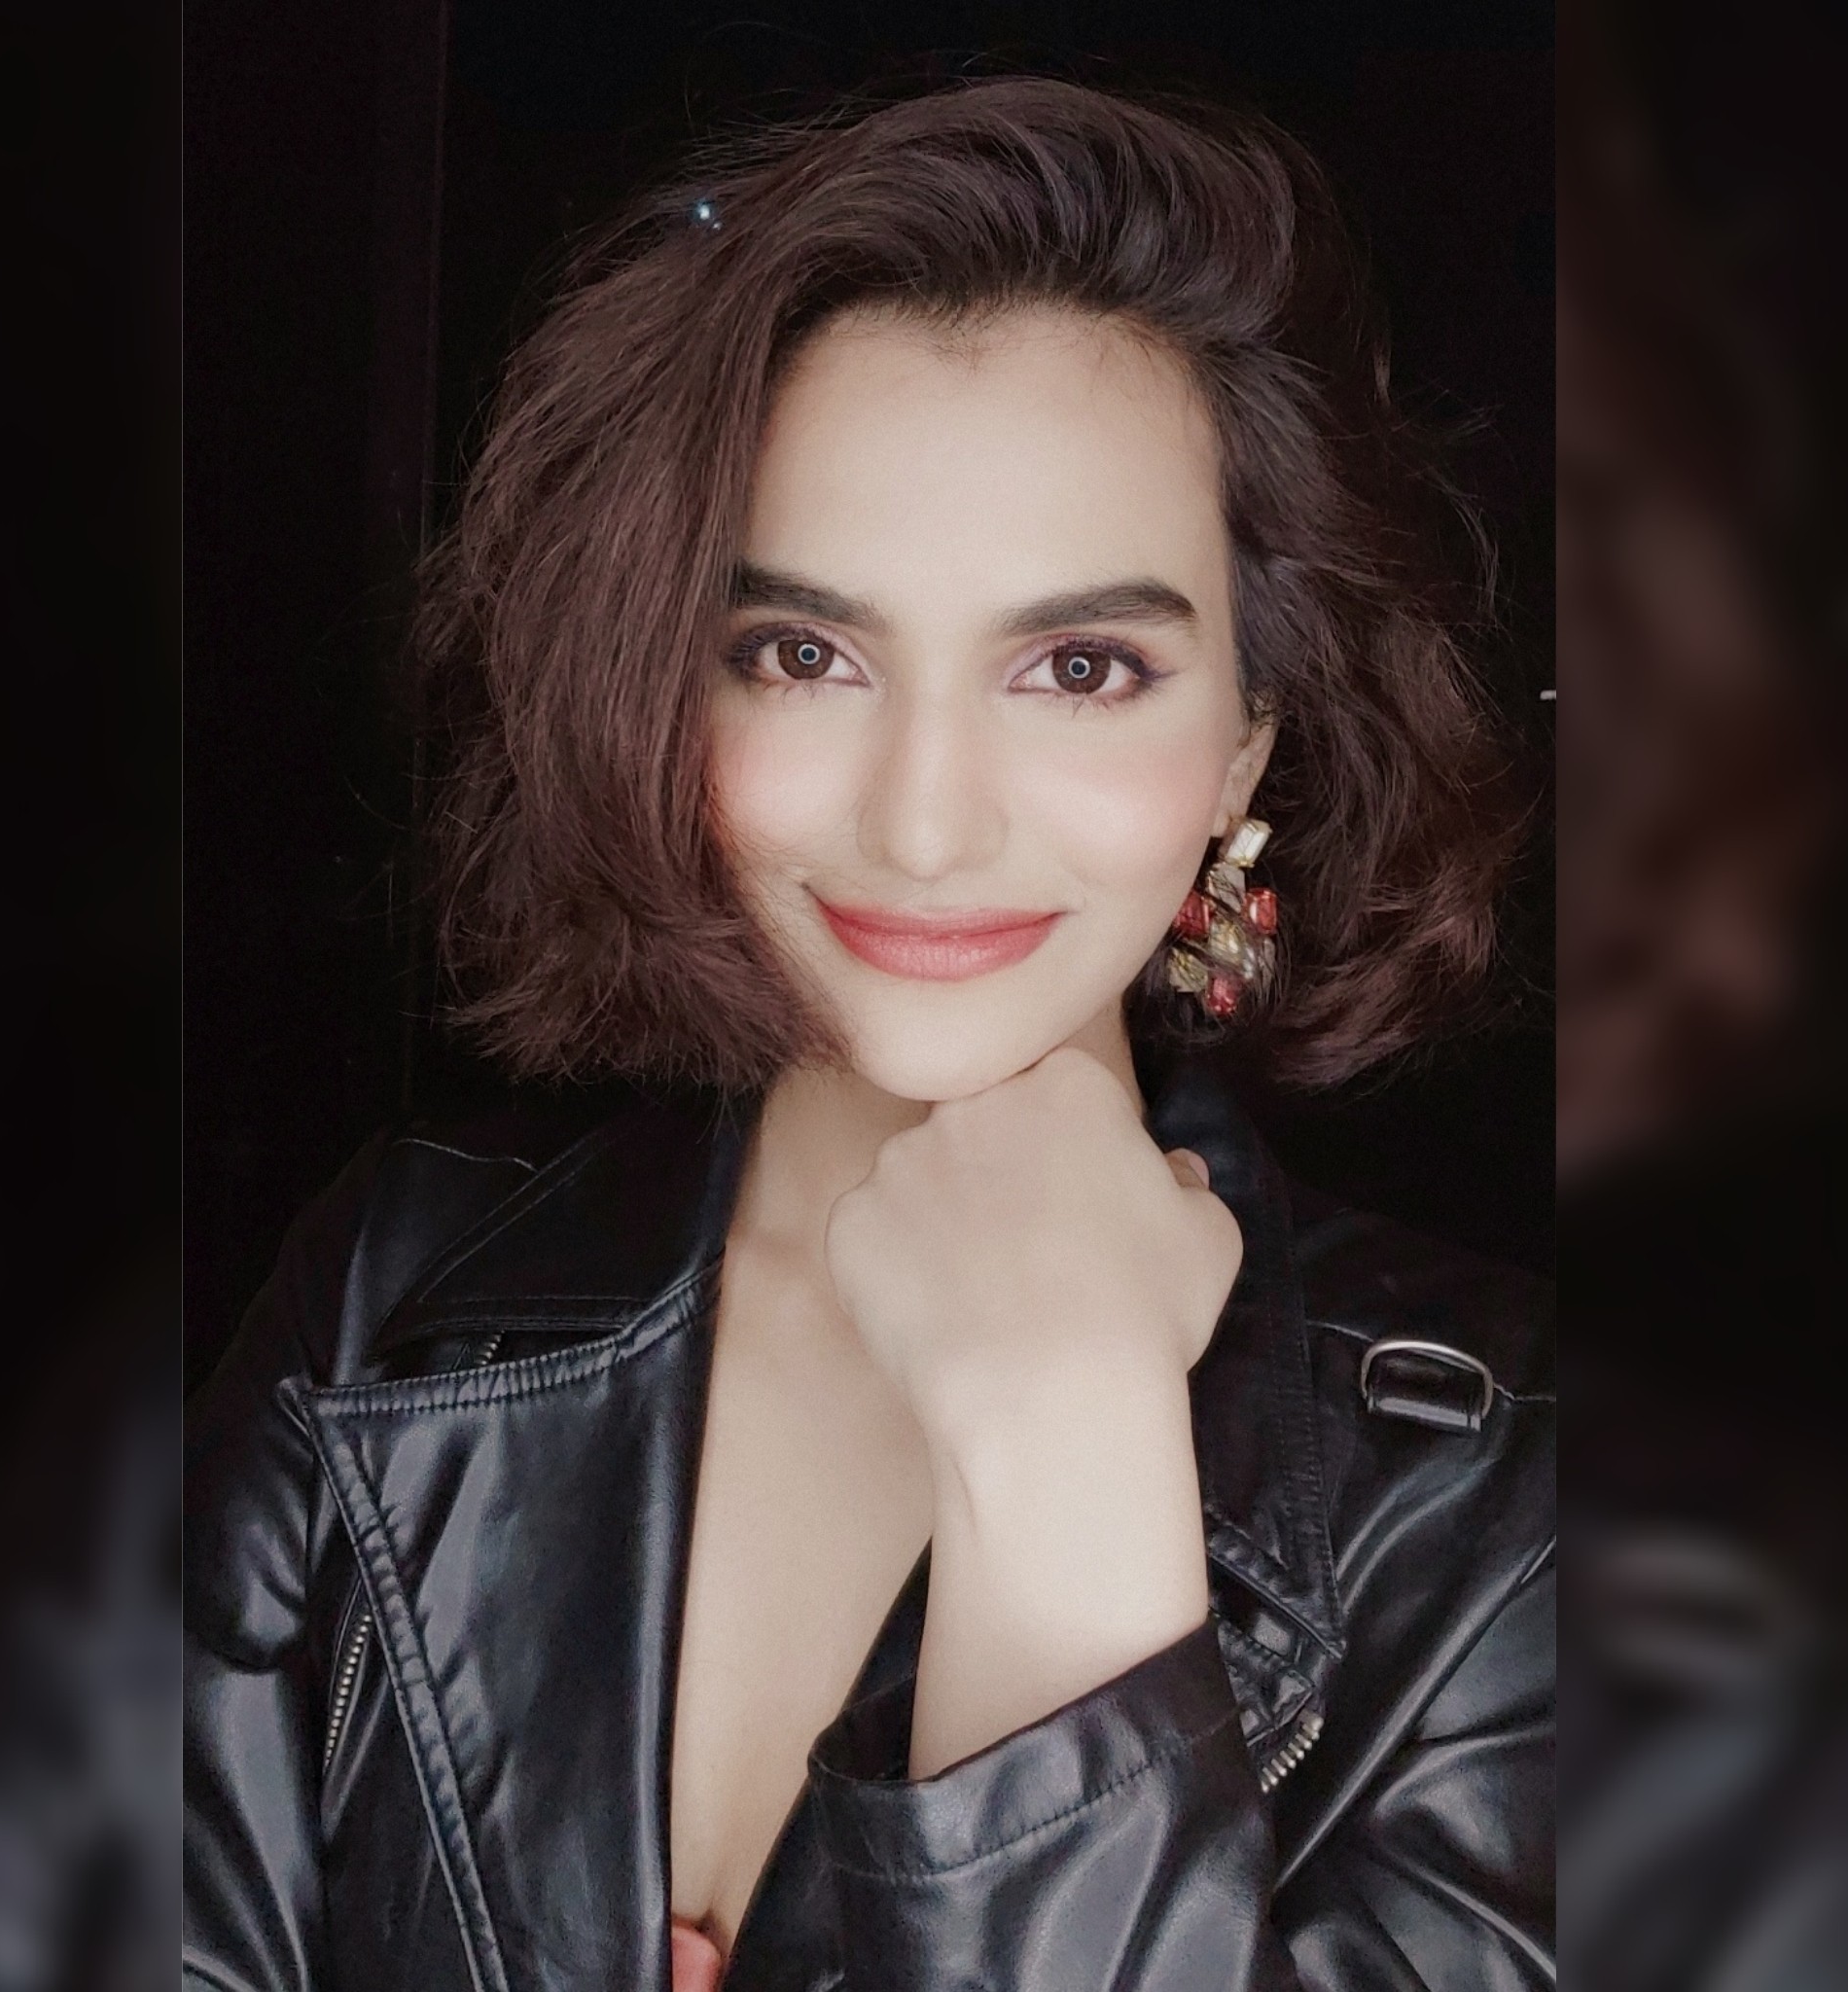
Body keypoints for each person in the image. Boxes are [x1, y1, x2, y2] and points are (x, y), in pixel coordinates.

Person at [186, 78, 1552, 1990]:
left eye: (1079, 667)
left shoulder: (1515, 1515)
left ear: (1249, 741)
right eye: (802, 654)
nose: (923, 823)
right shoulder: (385, 1298)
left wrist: (1066, 1485)